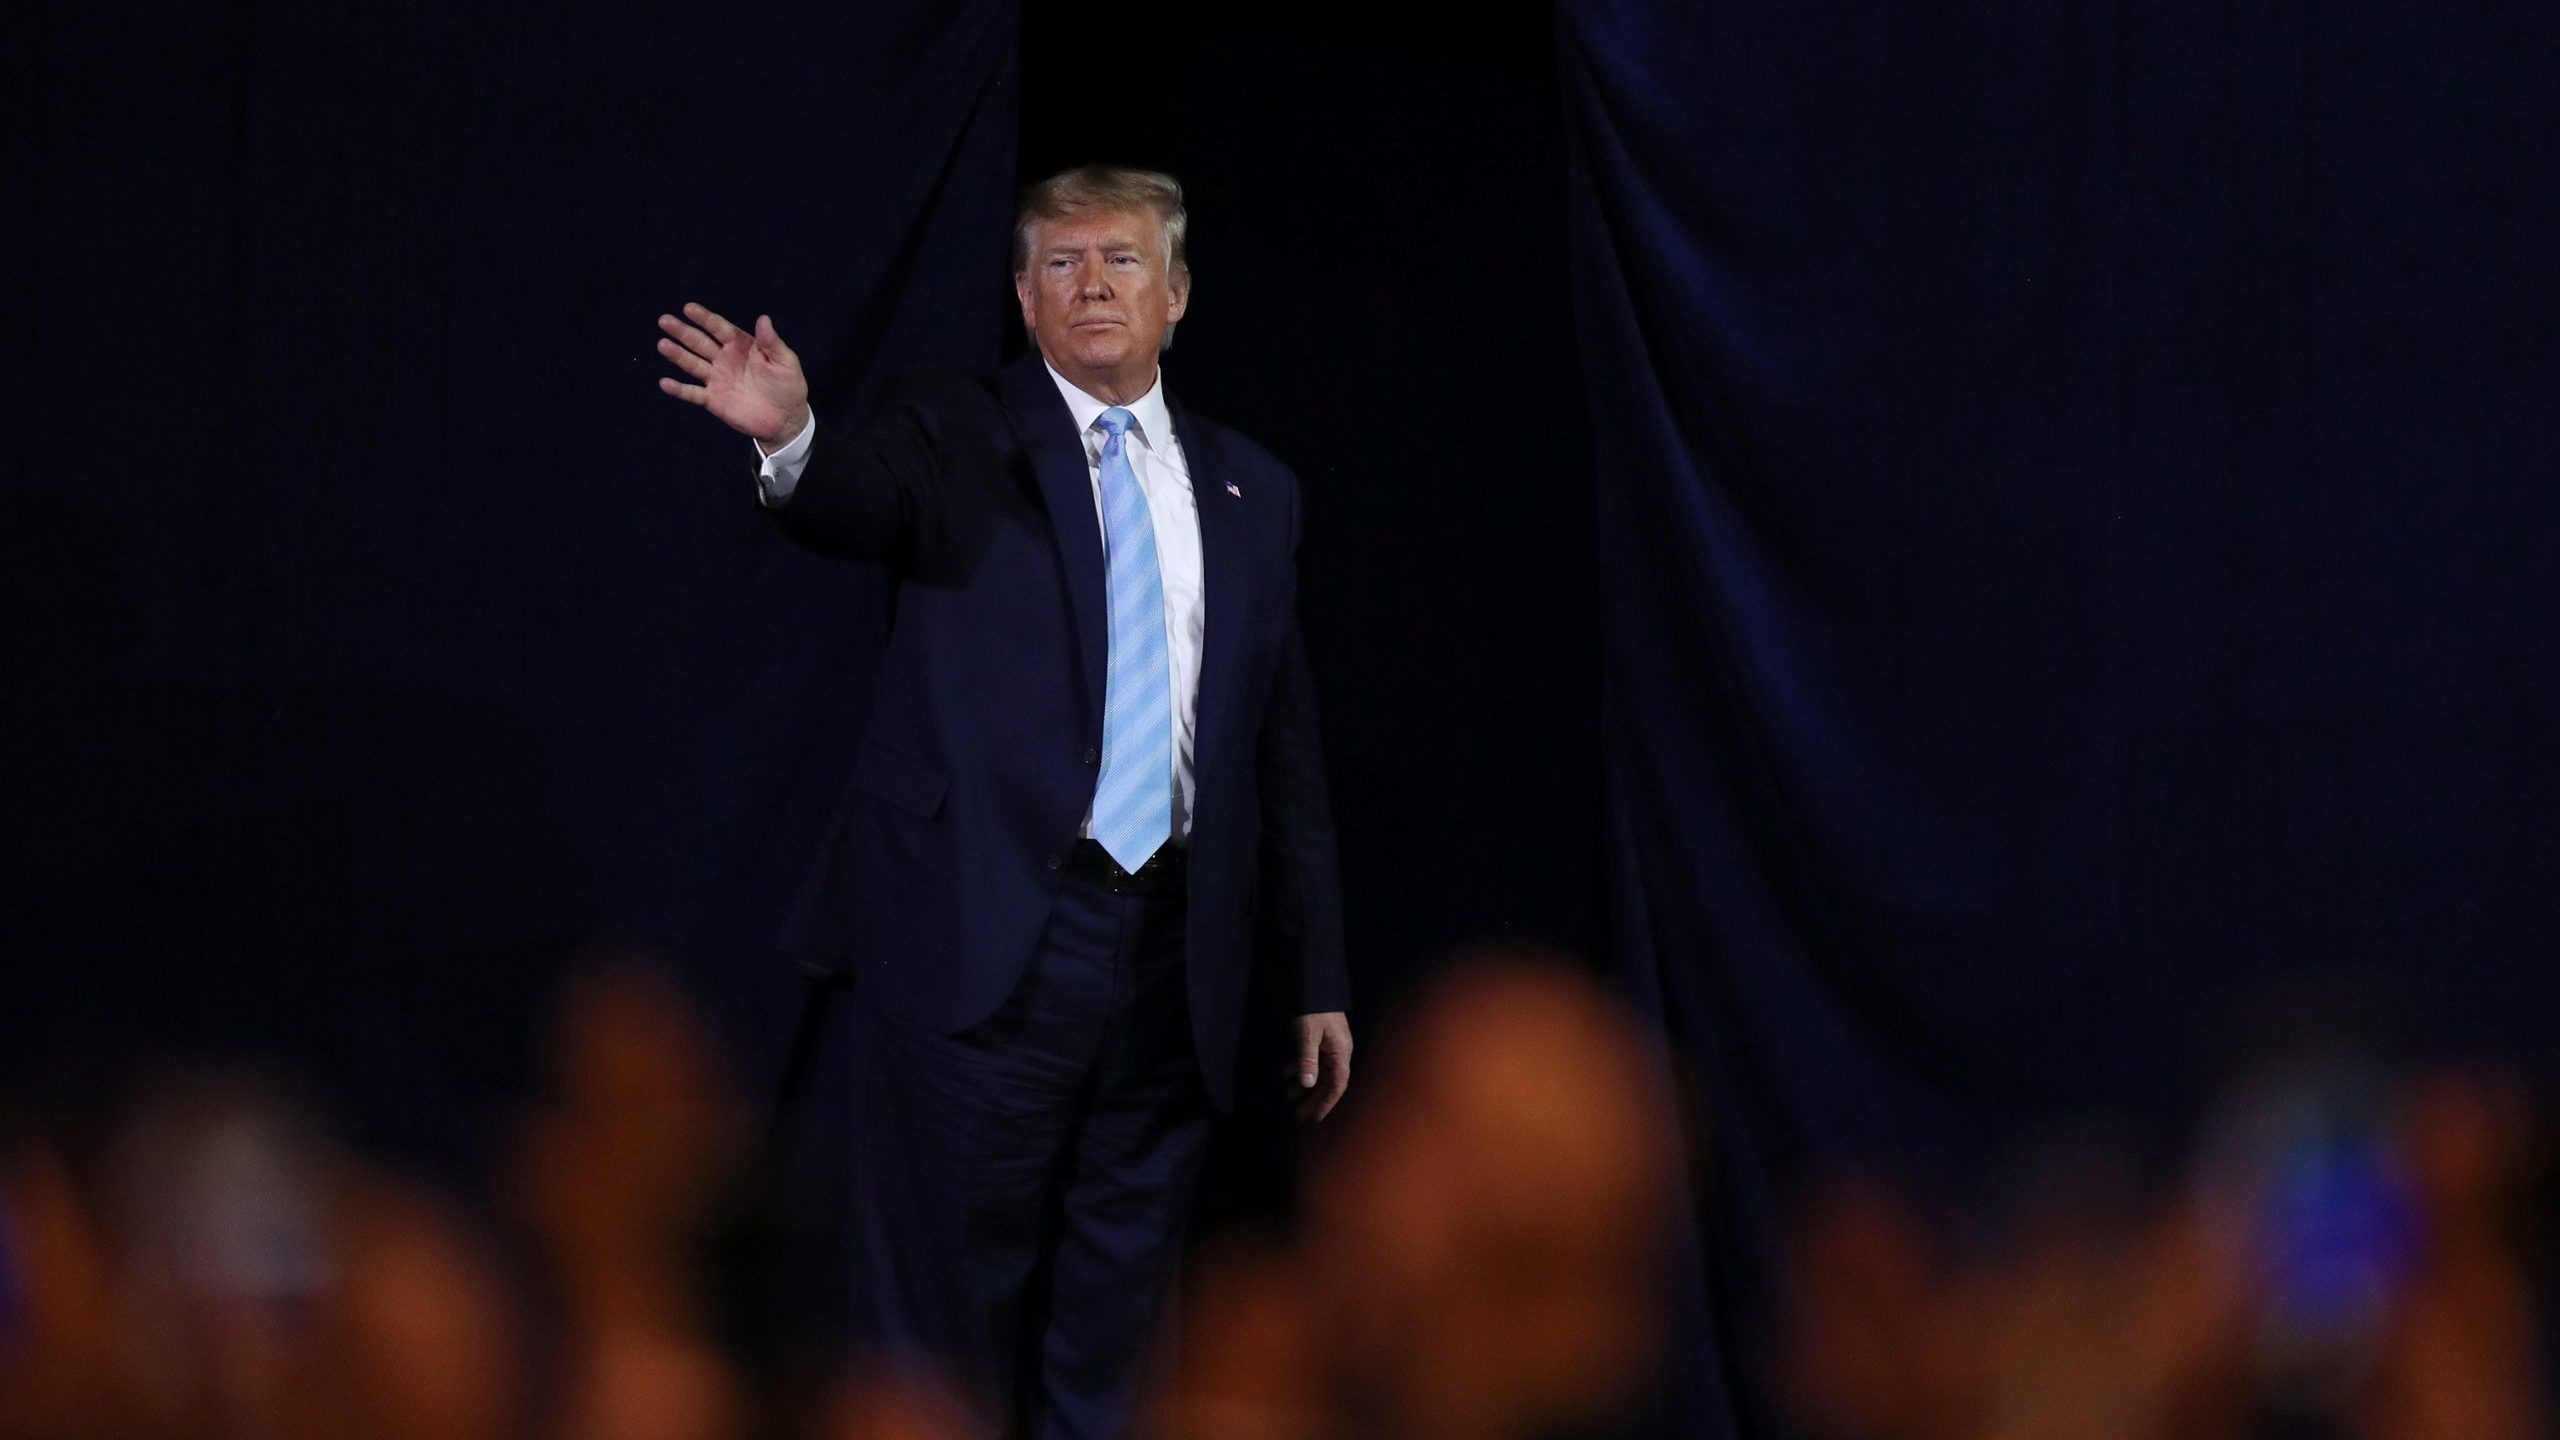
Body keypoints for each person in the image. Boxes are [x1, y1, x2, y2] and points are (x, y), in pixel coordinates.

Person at [653, 164, 1353, 1439]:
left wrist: (1317, 974)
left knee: (1121, 1325)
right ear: (1025, 299)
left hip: (1171, 961)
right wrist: (791, 443)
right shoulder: (953, 430)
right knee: (938, 1317)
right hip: (984, 944)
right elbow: (854, 504)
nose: (1094, 284)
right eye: (1063, 263)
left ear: (1178, 292)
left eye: (1123, 259)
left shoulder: (1255, 490)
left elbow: (1278, 750)